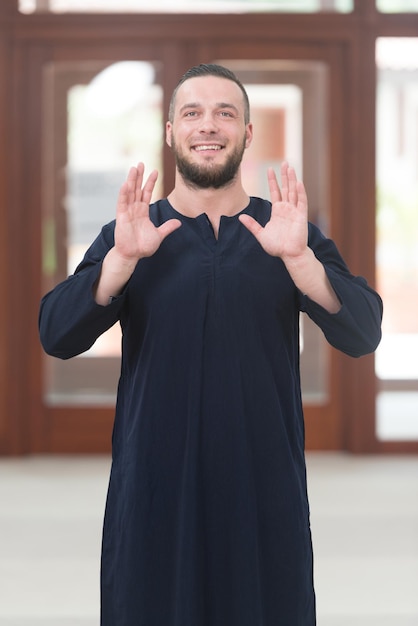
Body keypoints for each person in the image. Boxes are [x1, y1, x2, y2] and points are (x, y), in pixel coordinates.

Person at [39, 63, 383, 626]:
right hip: (155, 485)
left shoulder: (287, 233)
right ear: (170, 131)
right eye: (192, 112)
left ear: (248, 133)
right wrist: (121, 262)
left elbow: (364, 331)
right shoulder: (130, 233)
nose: (209, 125)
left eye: (226, 113)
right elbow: (57, 333)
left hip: (262, 484)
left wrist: (300, 262)